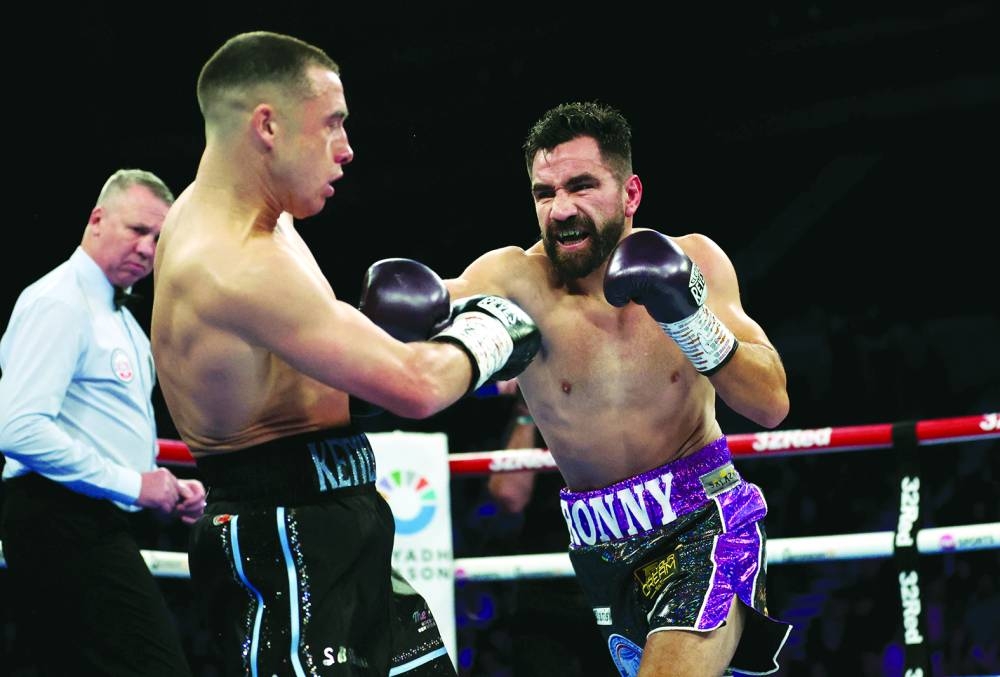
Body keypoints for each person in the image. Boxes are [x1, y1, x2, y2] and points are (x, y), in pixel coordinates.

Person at [150, 31, 540, 677]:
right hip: (282, 536)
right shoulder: (231, 262)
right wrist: (496, 330)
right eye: (332, 123)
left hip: (338, 514)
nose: (347, 148)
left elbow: (301, 376)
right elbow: (416, 387)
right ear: (268, 125)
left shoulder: (261, 217)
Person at [439, 101, 794, 676]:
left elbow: (772, 402)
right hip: (596, 547)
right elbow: (421, 323)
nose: (561, 209)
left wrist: (690, 320)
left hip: (705, 523)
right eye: (544, 192)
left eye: (581, 186)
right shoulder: (512, 279)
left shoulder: (693, 259)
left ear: (630, 194)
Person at [0, 168, 205, 676]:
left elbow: (107, 432)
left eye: (158, 238)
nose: (148, 247)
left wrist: (164, 488)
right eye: (138, 230)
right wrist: (135, 485)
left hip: (86, 519)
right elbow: (19, 428)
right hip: (58, 518)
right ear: (96, 220)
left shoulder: (122, 321)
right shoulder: (60, 301)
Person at [486, 386, 619, 677]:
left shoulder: (623, 412)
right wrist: (527, 411)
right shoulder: (534, 416)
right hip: (545, 591)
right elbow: (510, 495)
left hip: (615, 582)